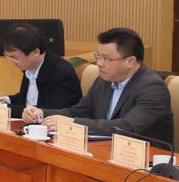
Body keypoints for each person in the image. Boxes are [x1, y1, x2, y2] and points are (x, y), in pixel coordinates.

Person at [29, 27, 173, 145]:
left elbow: (127, 128)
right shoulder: (104, 81)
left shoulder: (152, 88)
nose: (99, 63)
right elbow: (78, 112)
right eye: (98, 56)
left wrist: (73, 123)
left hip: (144, 161)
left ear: (130, 61)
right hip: (105, 149)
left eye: (107, 59)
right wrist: (41, 114)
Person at [0, 23, 80, 118]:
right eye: (9, 57)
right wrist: (5, 100)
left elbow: (46, 111)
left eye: (15, 57)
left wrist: (2, 109)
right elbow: (26, 99)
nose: (13, 62)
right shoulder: (30, 67)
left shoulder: (62, 73)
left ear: (36, 52)